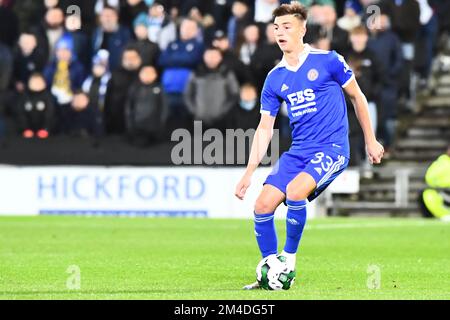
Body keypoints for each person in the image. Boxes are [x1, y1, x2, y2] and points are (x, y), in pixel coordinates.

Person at [234, 3, 384, 290]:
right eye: (276, 27)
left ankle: (288, 262)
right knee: (262, 205)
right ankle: (271, 268)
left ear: (302, 30)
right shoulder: (274, 78)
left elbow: (358, 97)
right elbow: (265, 127)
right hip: (298, 150)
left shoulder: (328, 60)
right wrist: (249, 172)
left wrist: (370, 139)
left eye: (287, 26)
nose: (281, 32)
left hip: (332, 148)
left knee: (294, 191)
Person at [419, 147, 450, 220]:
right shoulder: (441, 162)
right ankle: (442, 215)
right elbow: (429, 177)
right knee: (425, 194)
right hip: (441, 191)